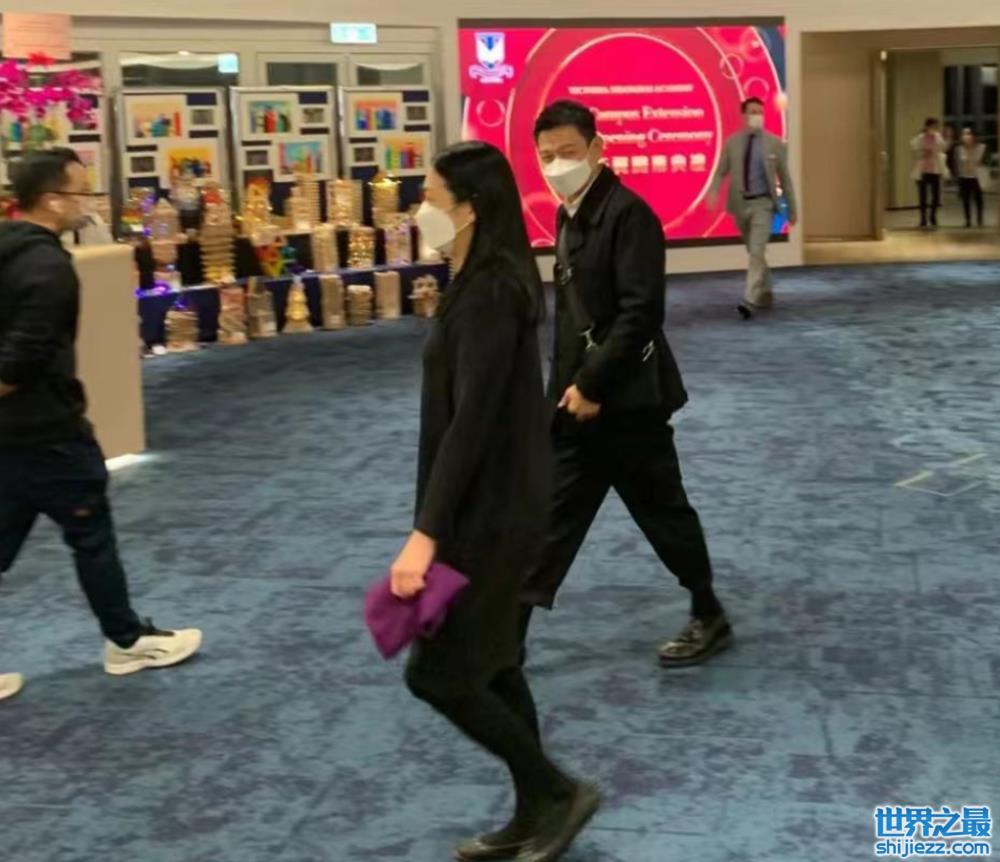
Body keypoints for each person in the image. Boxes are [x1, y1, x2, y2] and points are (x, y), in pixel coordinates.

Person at [395, 140, 598, 862]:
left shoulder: (488, 293)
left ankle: (556, 792)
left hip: (489, 515)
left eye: (430, 198)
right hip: (491, 505)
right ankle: (535, 809)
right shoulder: (480, 281)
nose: (419, 210)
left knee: (438, 675)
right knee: (497, 663)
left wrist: (426, 533)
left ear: (470, 208)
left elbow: (472, 424)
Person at [521, 100, 732, 670]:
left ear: (597, 149)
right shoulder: (567, 215)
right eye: (546, 156)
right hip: (577, 405)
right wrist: (560, 396)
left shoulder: (629, 215)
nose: (558, 165)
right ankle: (504, 641)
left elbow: (641, 313)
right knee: (549, 519)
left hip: (629, 404)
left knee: (663, 513)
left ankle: (708, 612)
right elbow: (572, 320)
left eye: (569, 152)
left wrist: (592, 385)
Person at [0, 149, 202, 699]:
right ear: (51, 200)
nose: (87, 204)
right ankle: (127, 640)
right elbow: (21, 361)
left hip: (14, 434)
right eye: (80, 193)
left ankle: (126, 636)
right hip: (47, 434)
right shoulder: (47, 267)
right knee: (91, 536)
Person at [708, 96, 798, 320]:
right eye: (752, 111)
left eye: (760, 112)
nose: (757, 116)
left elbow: (785, 180)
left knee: (757, 250)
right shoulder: (732, 143)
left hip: (763, 205)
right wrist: (713, 191)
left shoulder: (775, 144)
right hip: (740, 204)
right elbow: (720, 171)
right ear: (744, 115)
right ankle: (765, 290)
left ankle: (749, 300)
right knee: (753, 250)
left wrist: (792, 209)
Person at [911, 118, 947, 229]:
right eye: (933, 126)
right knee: (923, 196)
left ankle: (933, 217)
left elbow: (943, 148)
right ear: (927, 126)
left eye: (936, 126)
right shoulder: (920, 138)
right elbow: (914, 151)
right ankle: (923, 219)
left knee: (936, 196)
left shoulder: (938, 137)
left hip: (935, 169)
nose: (934, 129)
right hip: (922, 170)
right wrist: (923, 153)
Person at [957, 127, 986, 228]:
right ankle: (968, 220)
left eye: (969, 135)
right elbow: (961, 163)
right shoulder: (960, 149)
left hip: (977, 176)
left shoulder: (981, 147)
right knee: (966, 199)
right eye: (964, 135)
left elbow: (978, 161)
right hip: (964, 176)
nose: (966, 137)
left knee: (978, 199)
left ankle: (979, 218)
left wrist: (970, 151)